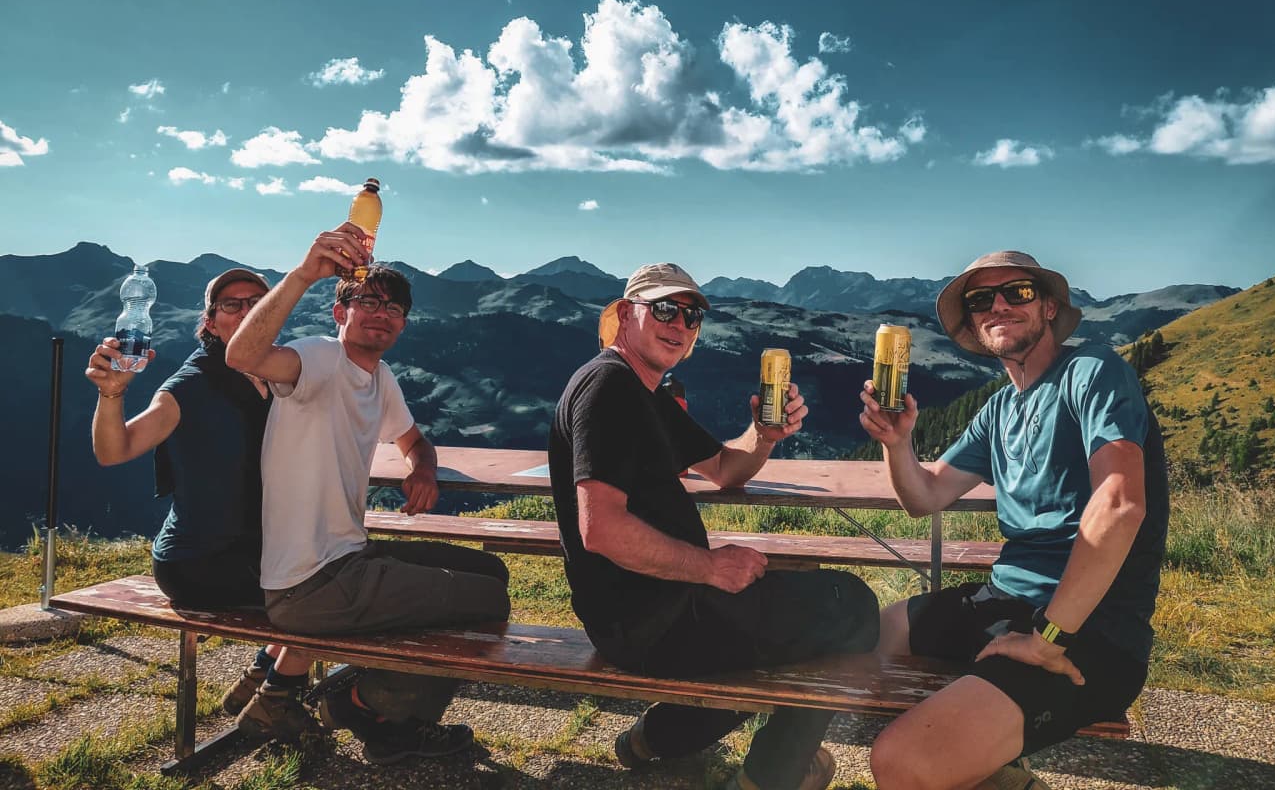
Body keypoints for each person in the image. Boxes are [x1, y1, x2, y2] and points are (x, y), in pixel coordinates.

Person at [549, 263, 880, 790]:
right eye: (663, 308)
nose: (679, 323)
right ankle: (773, 774)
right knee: (852, 606)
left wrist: (766, 435)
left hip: (649, 611)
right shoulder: (607, 384)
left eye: (691, 314)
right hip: (652, 619)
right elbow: (602, 530)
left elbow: (725, 468)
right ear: (625, 315)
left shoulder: (644, 392)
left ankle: (654, 740)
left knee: (787, 629)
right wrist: (708, 566)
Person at [860, 251, 1169, 790]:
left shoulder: (1092, 372)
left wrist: (1049, 636)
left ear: (1049, 307)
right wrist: (898, 442)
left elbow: (1120, 503)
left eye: (1018, 292)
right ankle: (1000, 774)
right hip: (1006, 603)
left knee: (901, 762)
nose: (999, 305)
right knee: (871, 637)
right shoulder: (999, 409)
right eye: (982, 300)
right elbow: (925, 497)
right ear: (975, 324)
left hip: (1089, 628)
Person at [224, 223, 511, 766]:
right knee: (489, 603)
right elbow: (243, 356)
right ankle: (373, 714)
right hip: (312, 583)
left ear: (402, 323)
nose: (382, 313)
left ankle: (281, 682)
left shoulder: (380, 378)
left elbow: (413, 439)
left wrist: (422, 467)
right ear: (341, 313)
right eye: (368, 302)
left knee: (492, 573)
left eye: (394, 307)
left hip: (347, 557)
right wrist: (306, 273)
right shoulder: (318, 360)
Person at [85, 268, 318, 740]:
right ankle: (275, 699)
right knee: (332, 598)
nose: (248, 308)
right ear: (210, 322)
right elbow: (115, 451)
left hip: (255, 551)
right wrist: (112, 395)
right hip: (200, 561)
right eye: (232, 304)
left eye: (259, 300)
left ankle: (262, 674)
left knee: (330, 564)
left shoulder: (276, 374)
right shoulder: (190, 385)